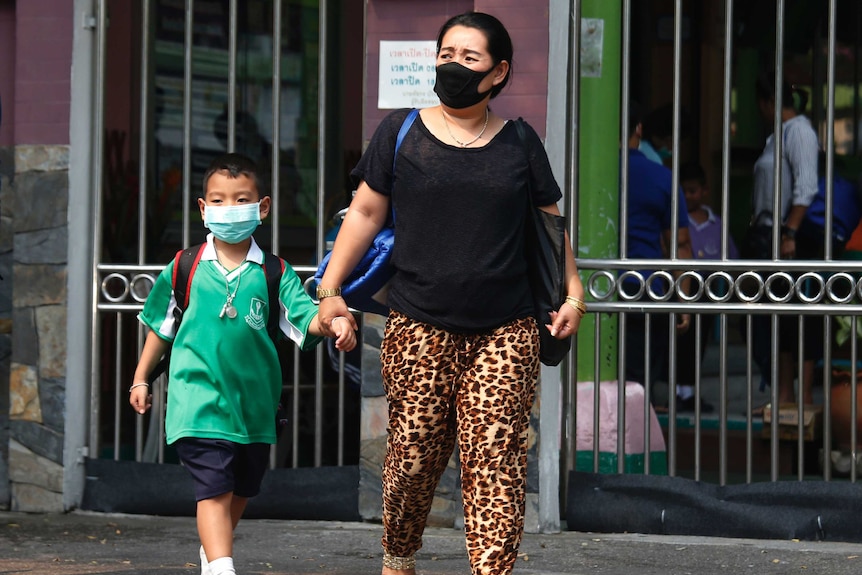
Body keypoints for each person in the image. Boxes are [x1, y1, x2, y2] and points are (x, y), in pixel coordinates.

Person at [314, 12, 585, 575]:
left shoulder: (519, 142)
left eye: (470, 57)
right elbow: (365, 212)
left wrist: (573, 294)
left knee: (495, 462)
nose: (453, 65)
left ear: (499, 72)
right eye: (446, 53)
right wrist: (330, 288)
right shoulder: (400, 131)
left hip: (505, 328)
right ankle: (398, 555)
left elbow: (549, 227)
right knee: (412, 459)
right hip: (418, 323)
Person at [129, 153, 356, 575]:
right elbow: (161, 328)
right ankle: (221, 567)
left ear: (262, 207)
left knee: (242, 487)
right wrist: (141, 379)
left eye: (241, 199)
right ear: (202, 208)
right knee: (213, 486)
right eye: (218, 200)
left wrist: (333, 321)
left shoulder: (275, 272)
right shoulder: (184, 266)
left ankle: (214, 549)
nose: (229, 209)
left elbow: (305, 317)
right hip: (195, 399)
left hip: (254, 405)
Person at [743, 71, 819, 409]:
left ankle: (797, 398)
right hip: (764, 233)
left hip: (786, 235)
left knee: (791, 319)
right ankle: (783, 395)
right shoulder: (778, 135)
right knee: (769, 318)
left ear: (768, 102)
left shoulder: (799, 131)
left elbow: (807, 186)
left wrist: (790, 233)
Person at [623, 102, 693, 411]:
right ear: (638, 129)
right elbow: (679, 244)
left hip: (589, 286)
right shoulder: (661, 177)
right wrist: (683, 299)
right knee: (638, 385)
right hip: (645, 289)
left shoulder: (584, 170)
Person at [673, 162, 740, 413]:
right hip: (681, 287)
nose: (689, 196)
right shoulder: (678, 221)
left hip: (708, 291)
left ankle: (689, 393)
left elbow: (732, 259)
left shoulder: (717, 224)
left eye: (693, 191)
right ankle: (679, 391)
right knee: (680, 342)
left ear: (705, 191)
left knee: (698, 343)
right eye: (684, 191)